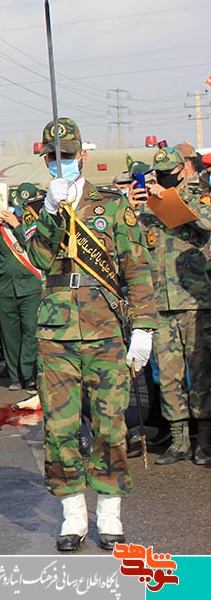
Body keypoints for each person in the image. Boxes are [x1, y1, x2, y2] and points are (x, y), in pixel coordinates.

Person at [25, 117, 156, 551]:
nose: (60, 162)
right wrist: (50, 211)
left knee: (110, 426)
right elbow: (39, 259)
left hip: (105, 329)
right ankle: (73, 516)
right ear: (45, 160)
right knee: (60, 428)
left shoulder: (112, 206)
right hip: (56, 334)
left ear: (82, 155)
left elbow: (137, 268)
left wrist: (144, 327)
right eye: (52, 157)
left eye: (67, 155)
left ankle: (110, 515)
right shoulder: (39, 207)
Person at [136, 146, 211, 465]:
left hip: (195, 301)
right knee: (167, 376)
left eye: (169, 172)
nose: (164, 177)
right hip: (160, 302)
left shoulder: (200, 196)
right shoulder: (149, 208)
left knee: (201, 373)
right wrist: (135, 208)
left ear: (183, 170)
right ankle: (178, 441)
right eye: (160, 173)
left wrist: (173, 198)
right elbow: (136, 247)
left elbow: (207, 223)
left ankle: (204, 442)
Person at [0, 197, 44, 392]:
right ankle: (15, 376)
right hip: (5, 287)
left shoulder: (33, 224)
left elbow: (35, 246)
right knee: (10, 335)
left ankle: (29, 374)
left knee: (30, 331)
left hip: (30, 286)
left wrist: (17, 226)